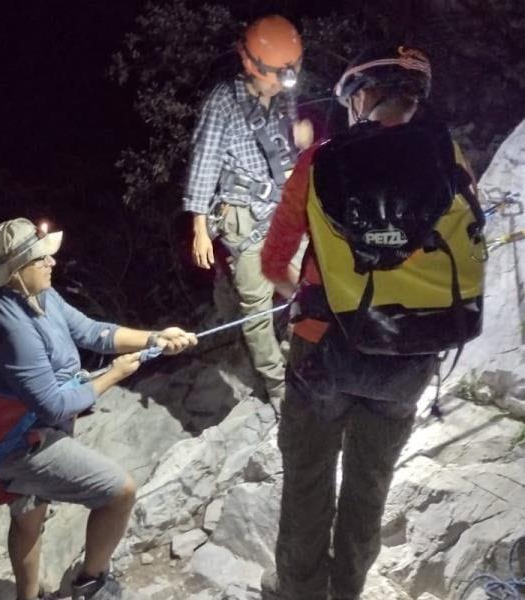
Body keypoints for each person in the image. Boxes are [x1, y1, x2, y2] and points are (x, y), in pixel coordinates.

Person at [260, 45, 484, 599]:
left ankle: (300, 590)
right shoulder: (448, 157)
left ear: (361, 96)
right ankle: (348, 588)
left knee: (309, 483)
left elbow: (272, 262)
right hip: (409, 355)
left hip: (324, 350)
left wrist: (305, 293)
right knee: (369, 486)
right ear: (411, 100)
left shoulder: (321, 162)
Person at [0, 218, 198, 600]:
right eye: (41, 259)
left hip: (25, 428)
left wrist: (155, 337)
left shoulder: (38, 295)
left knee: (29, 517)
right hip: (13, 444)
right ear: (16, 271)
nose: (52, 263)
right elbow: (54, 405)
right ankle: (90, 583)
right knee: (119, 492)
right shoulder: (9, 327)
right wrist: (114, 375)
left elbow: (94, 332)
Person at [183, 14, 313, 406]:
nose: (285, 82)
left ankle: (307, 354)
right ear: (251, 64)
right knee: (256, 305)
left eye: (292, 72)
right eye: (278, 73)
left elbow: (284, 148)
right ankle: (277, 387)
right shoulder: (223, 103)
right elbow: (203, 162)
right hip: (245, 216)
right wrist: (200, 227)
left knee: (311, 282)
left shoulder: (284, 94)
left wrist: (300, 141)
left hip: (284, 205)